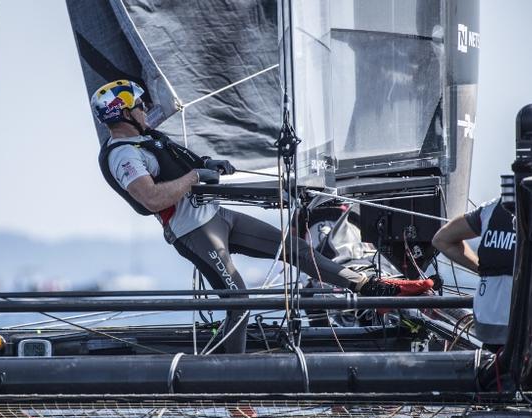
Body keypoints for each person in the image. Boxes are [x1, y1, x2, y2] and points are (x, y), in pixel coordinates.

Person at [92, 79, 431, 353]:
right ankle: (233, 388)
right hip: (193, 230)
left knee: (297, 250)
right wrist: (194, 177)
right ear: (122, 114)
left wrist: (206, 165)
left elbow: (180, 164)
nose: (146, 110)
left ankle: (371, 287)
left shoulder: (145, 140)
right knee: (239, 300)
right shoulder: (123, 156)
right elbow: (151, 198)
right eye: (140, 106)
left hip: (216, 216)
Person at [432, 198, 515, 350]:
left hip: (489, 323)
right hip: (519, 328)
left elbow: (442, 239)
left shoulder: (491, 209)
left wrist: (486, 269)